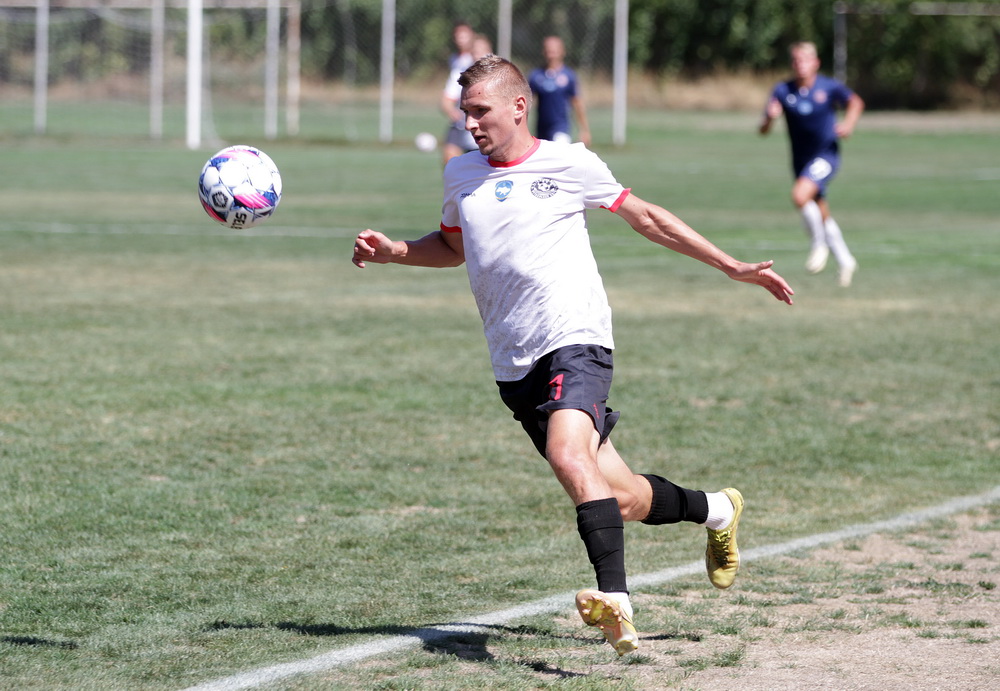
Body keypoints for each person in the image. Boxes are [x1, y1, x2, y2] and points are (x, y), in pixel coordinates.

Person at [354, 55, 794, 656]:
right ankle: (718, 509)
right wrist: (395, 252)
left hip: (575, 338)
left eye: (480, 111)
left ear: (519, 106)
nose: (470, 123)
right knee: (622, 498)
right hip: (514, 363)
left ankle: (617, 600)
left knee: (568, 454)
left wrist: (730, 265)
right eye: (464, 112)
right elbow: (455, 246)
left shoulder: (570, 163)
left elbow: (647, 218)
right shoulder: (460, 174)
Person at [759, 41, 865, 287]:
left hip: (826, 156)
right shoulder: (783, 90)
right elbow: (763, 130)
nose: (800, 64)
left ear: (816, 63)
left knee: (799, 196)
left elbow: (856, 102)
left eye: (805, 59)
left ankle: (819, 245)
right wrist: (770, 118)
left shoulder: (828, 87)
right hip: (800, 161)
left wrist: (848, 124)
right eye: (796, 60)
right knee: (819, 210)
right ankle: (846, 260)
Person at [527, 35, 591, 146]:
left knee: (560, 153)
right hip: (541, 130)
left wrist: (584, 130)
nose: (551, 55)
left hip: (561, 128)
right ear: (543, 52)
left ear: (562, 52)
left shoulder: (569, 76)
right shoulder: (536, 76)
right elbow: (527, 103)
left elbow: (577, 103)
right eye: (548, 51)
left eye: (554, 51)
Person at [440, 22, 479, 166]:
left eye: (464, 35)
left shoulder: (490, 65)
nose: (461, 39)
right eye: (458, 36)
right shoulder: (457, 63)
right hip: (461, 120)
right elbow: (449, 96)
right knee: (450, 159)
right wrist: (449, 109)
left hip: (479, 120)